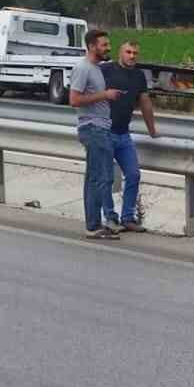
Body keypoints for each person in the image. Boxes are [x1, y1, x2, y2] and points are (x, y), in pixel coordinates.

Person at [67, 28, 123, 240]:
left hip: (100, 127)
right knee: (102, 177)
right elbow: (74, 100)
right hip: (93, 128)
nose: (108, 48)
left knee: (94, 178)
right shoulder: (83, 68)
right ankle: (96, 224)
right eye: (104, 45)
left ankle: (94, 224)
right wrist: (104, 95)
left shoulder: (96, 68)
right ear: (92, 46)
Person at [99, 38, 157, 233]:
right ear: (120, 53)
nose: (132, 56)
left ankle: (127, 218)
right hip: (104, 132)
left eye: (135, 53)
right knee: (106, 178)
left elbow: (145, 103)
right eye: (128, 52)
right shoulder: (105, 70)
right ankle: (109, 217)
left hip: (124, 134)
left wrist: (152, 130)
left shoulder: (139, 76)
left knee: (133, 174)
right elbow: (90, 94)